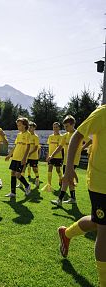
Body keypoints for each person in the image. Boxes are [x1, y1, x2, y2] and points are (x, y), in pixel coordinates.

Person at [58, 105, 106, 287]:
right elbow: (77, 136)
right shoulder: (103, 113)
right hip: (101, 182)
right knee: (104, 229)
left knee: (97, 222)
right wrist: (69, 168)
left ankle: (67, 233)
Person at [48, 115, 89, 205]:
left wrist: (82, 148)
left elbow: (90, 141)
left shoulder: (79, 134)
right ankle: (73, 198)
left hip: (74, 161)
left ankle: (59, 200)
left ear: (72, 124)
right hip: (66, 160)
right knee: (69, 179)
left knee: (65, 178)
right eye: (64, 126)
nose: (65, 128)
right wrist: (52, 155)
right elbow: (59, 147)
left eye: (67, 126)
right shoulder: (65, 135)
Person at [5, 117, 31, 197]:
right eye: (17, 125)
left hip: (21, 158)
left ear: (25, 125)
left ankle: (27, 185)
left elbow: (28, 147)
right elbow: (15, 146)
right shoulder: (19, 135)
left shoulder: (28, 134)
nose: (18, 127)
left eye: (19, 125)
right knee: (12, 173)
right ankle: (13, 193)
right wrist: (10, 155)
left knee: (17, 174)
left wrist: (24, 158)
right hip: (15, 157)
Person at [41, 122, 63, 192]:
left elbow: (60, 148)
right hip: (51, 156)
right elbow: (49, 147)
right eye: (54, 127)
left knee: (58, 170)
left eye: (56, 127)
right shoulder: (50, 137)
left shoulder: (61, 137)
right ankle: (49, 184)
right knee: (50, 168)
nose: (55, 128)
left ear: (59, 128)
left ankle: (60, 179)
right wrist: (47, 156)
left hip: (58, 156)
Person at [27, 122, 40, 187]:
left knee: (34, 169)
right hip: (26, 156)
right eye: (29, 127)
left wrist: (29, 153)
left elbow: (36, 148)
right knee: (23, 168)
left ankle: (37, 179)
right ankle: (21, 183)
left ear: (34, 128)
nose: (29, 128)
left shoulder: (36, 137)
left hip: (34, 156)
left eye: (31, 127)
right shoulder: (27, 135)